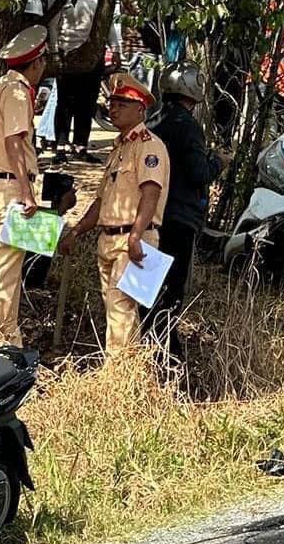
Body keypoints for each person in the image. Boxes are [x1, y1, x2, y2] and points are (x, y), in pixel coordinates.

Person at [60, 79, 170, 359]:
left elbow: (151, 193)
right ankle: (126, 371)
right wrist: (77, 231)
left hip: (132, 239)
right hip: (108, 239)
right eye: (112, 102)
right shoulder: (118, 148)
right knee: (116, 312)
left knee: (121, 311)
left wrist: (135, 236)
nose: (114, 108)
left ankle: (118, 373)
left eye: (123, 104)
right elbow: (101, 201)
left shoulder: (150, 146)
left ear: (141, 110)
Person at [0, 26, 48, 349]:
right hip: (11, 188)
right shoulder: (17, 90)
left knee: (2, 267)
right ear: (37, 62)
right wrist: (26, 191)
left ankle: (4, 339)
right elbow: (14, 141)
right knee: (4, 273)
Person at [144, 64, 223, 350]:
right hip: (179, 217)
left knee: (147, 282)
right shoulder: (188, 127)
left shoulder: (152, 121)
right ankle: (165, 343)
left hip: (150, 216)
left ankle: (145, 336)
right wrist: (218, 162)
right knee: (173, 286)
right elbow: (198, 172)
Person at [50, 0, 114, 159]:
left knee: (85, 104)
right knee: (65, 104)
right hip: (68, 55)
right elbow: (54, 27)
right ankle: (62, 146)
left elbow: (108, 26)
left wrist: (116, 50)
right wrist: (55, 52)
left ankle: (80, 146)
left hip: (91, 57)